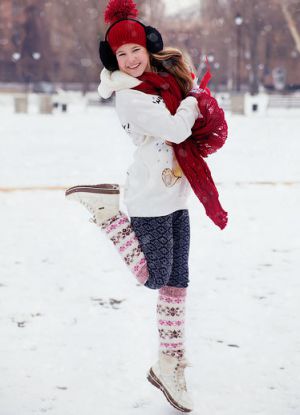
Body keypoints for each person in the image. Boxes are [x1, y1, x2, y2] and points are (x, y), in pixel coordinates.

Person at [65, 0, 228, 412]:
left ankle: (169, 364)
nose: (132, 59)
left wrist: (187, 91)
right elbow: (176, 127)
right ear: (114, 60)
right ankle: (107, 215)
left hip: (175, 197)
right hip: (148, 200)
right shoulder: (130, 97)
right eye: (122, 54)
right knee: (155, 278)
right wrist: (193, 98)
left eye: (136, 49)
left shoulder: (159, 82)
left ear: (148, 46)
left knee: (178, 284)